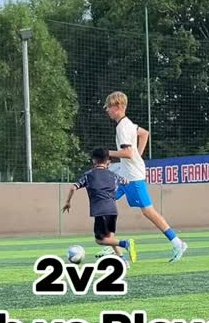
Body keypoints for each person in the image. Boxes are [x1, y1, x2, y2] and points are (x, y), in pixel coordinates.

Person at [104, 91, 187, 262]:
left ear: (118, 107)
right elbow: (145, 134)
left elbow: (127, 153)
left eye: (109, 107)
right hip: (126, 174)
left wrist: (106, 153)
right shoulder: (128, 124)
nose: (107, 110)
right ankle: (111, 245)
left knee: (148, 211)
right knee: (105, 204)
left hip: (132, 177)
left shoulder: (123, 128)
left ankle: (177, 242)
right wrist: (138, 156)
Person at [62, 147, 137, 264]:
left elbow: (73, 187)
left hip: (101, 210)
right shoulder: (114, 175)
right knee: (110, 238)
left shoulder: (89, 175)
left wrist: (67, 202)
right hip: (113, 210)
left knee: (100, 240)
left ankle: (125, 243)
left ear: (93, 160)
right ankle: (123, 260)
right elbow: (126, 181)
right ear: (107, 161)